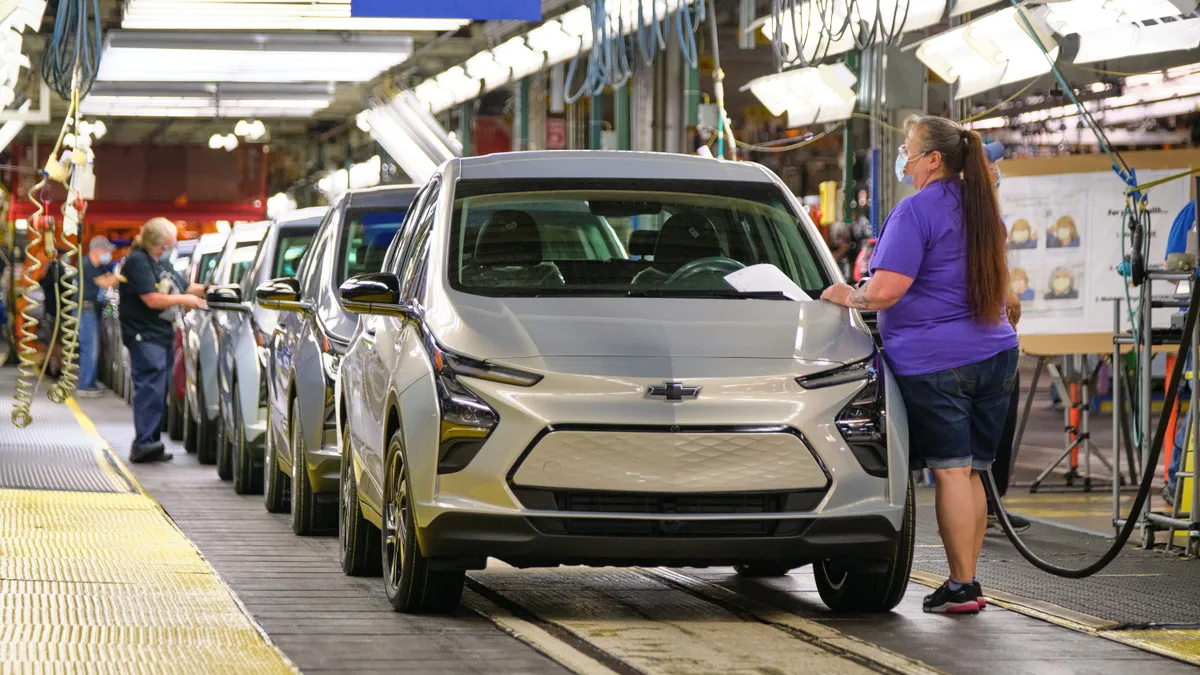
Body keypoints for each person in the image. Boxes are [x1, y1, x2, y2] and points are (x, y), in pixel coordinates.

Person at [821, 114, 1018, 614]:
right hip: (996, 354)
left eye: (909, 150)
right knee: (974, 471)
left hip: (939, 362)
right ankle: (967, 583)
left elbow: (884, 293)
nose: (903, 159)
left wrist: (845, 294)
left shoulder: (916, 212)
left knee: (951, 473)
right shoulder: (982, 209)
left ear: (934, 159)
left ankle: (962, 584)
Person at [119, 217, 206, 463]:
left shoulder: (159, 263)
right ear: (154, 242)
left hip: (160, 335)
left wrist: (208, 289)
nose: (167, 250)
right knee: (149, 387)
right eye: (165, 246)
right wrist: (184, 302)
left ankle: (151, 441)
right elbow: (152, 298)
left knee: (158, 389)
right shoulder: (138, 262)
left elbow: (183, 286)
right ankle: (144, 443)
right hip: (144, 335)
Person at [988, 291, 1032, 532]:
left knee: (1002, 435)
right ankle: (984, 505)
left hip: (999, 352)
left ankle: (990, 504)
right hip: (975, 350)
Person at [75, 236, 119, 397]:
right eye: (106, 251)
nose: (108, 255)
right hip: (85, 310)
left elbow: (109, 279)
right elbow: (107, 283)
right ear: (97, 251)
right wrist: (121, 276)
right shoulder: (87, 264)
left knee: (92, 347)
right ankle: (85, 385)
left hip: (92, 310)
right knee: (89, 348)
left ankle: (90, 381)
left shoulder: (98, 266)